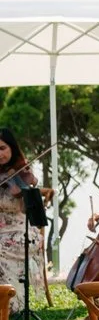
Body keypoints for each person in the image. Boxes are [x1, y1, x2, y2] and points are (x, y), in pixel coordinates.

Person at [0, 128, 48, 304]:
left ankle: (11, 303)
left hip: (22, 232)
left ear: (12, 148)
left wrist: (22, 195)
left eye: (2, 148)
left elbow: (27, 211)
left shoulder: (22, 171)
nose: (0, 154)